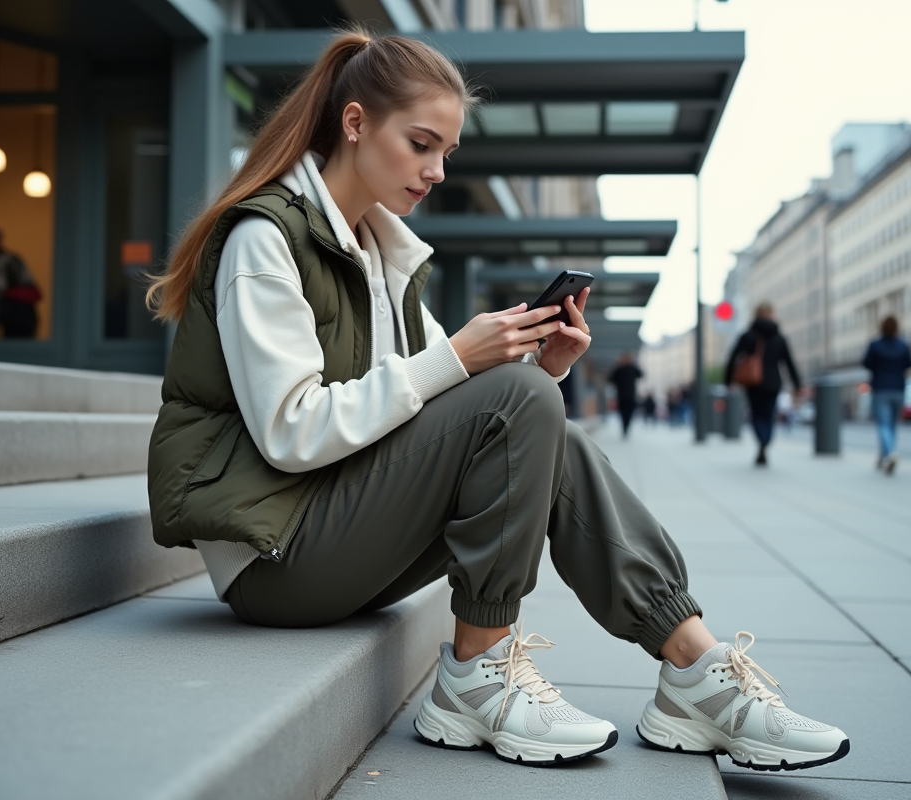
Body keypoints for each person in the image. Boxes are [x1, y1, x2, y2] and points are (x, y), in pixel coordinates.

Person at [144, 29, 847, 772]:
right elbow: (293, 432)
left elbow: (478, 428)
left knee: (541, 416)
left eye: (446, 152)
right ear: (354, 124)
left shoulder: (385, 255)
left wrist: (544, 373)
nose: (437, 170)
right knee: (509, 395)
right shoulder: (266, 238)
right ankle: (477, 673)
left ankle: (693, 668)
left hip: (344, 525)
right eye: (421, 144)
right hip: (276, 558)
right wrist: (461, 360)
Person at [725, 302, 802, 466]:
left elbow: (732, 359)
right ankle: (765, 441)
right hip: (773, 384)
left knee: (756, 415)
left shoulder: (747, 336)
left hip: (753, 383)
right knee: (768, 415)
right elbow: (789, 363)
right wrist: (797, 384)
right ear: (772, 315)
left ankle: (762, 440)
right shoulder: (779, 338)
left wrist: (728, 381)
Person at [862, 315, 911, 475]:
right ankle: (884, 457)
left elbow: (866, 363)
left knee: (883, 425)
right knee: (891, 425)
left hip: (881, 388)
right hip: (898, 388)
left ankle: (890, 453)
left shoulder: (875, 345)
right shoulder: (902, 345)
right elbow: (909, 363)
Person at [609, 352, 643, 437]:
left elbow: (641, 374)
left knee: (630, 412)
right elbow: (610, 379)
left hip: (631, 395)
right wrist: (617, 365)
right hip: (621, 396)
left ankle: (627, 426)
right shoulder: (619, 369)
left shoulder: (632, 368)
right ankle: (624, 427)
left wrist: (634, 363)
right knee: (623, 413)